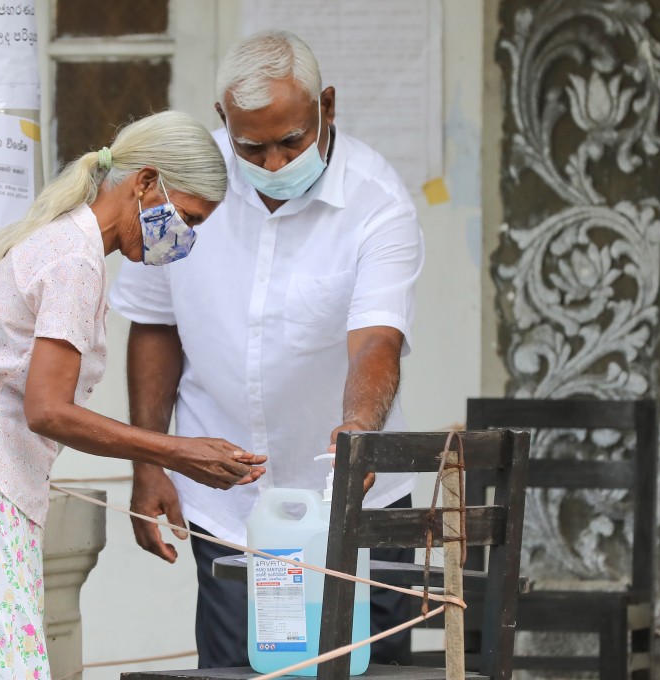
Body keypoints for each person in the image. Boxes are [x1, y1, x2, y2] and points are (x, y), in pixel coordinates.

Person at [0, 110, 268, 680]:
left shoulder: (58, 239)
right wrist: (176, 452)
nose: (187, 237)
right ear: (145, 182)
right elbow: (48, 409)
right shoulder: (76, 258)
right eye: (188, 217)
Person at [109, 31, 424, 668]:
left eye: (292, 141)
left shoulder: (376, 202)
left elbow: (376, 341)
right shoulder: (179, 194)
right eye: (254, 147)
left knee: (368, 672)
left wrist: (358, 431)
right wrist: (150, 461)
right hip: (228, 505)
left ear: (327, 107)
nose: (275, 163)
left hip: (357, 499)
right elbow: (155, 325)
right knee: (238, 669)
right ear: (224, 121)